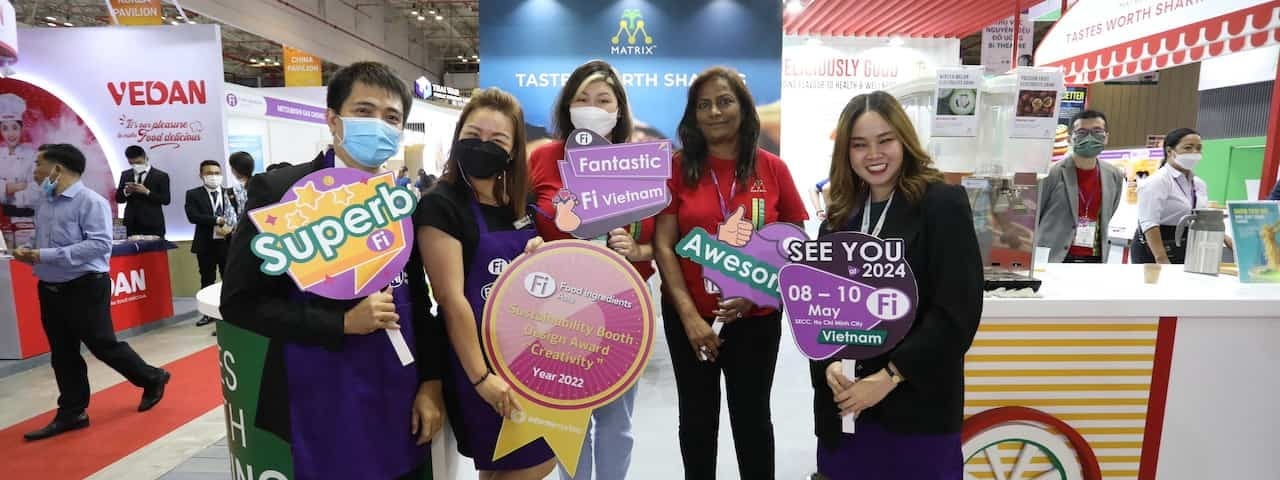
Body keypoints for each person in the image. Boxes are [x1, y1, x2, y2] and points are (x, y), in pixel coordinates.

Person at [220, 62, 444, 480]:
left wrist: (431, 381)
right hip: (319, 388)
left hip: (399, 387)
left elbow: (418, 296)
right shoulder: (281, 192)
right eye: (364, 111)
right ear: (333, 119)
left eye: (391, 117)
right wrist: (338, 322)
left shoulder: (399, 200)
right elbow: (240, 303)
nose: (378, 124)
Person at [811, 91, 983, 479]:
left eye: (884, 140)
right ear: (846, 153)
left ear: (903, 140)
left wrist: (889, 377)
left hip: (916, 408)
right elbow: (819, 313)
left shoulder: (941, 204)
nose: (874, 154)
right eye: (859, 145)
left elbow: (957, 312)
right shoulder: (837, 221)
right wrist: (828, 367)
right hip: (847, 409)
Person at [652, 66, 807, 480]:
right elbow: (664, 245)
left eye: (725, 101)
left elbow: (794, 241)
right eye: (704, 105)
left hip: (755, 320)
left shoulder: (772, 169)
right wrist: (689, 317)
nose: (715, 112)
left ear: (743, 108)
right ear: (693, 115)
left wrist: (760, 293)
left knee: (753, 421)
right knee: (697, 422)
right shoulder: (677, 168)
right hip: (690, 320)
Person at [416, 87, 556, 480]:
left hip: (526, 356)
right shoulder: (440, 204)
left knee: (504, 466)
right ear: (458, 138)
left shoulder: (517, 201)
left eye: (497, 140)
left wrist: (534, 255)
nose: (483, 146)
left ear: (512, 150)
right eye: (473, 136)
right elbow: (451, 298)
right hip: (476, 358)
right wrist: (481, 379)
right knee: (533, 462)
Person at [528, 59, 652, 480]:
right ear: (567, 106)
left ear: (619, 111)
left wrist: (637, 248)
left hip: (620, 308)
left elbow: (661, 241)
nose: (592, 107)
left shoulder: (638, 164)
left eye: (603, 100)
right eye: (582, 99)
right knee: (569, 417)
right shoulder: (543, 158)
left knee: (617, 420)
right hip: (555, 310)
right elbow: (525, 222)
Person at [16, 144, 171, 441]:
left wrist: (44, 255)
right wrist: (31, 252)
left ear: (58, 169)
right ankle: (73, 411)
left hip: (85, 285)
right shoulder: (45, 202)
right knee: (62, 352)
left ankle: (152, 377)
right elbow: (44, 241)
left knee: (102, 344)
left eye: (39, 164)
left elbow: (100, 245)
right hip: (50, 287)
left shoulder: (91, 202)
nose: (34, 170)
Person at [1133, 128, 1233, 264]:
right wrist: (1161, 259)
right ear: (1169, 151)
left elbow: (1200, 217)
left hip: (1186, 244)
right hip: (1156, 246)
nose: (1195, 153)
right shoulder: (1157, 181)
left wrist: (1225, 238)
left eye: (1198, 148)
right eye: (1188, 148)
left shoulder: (1199, 183)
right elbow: (1149, 223)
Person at [1037, 110, 1125, 263]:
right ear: (1070, 139)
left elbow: (1108, 213)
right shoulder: (1052, 173)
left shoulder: (1114, 175)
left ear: (1106, 137)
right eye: (1082, 132)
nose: (1090, 137)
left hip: (1095, 257)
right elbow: (1036, 215)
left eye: (1097, 131)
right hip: (1055, 258)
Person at [185, 160, 237, 328]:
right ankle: (207, 315)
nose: (213, 176)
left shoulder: (230, 193)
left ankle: (229, 313)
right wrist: (217, 220)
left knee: (229, 278)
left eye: (216, 173)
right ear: (201, 175)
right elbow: (193, 216)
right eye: (209, 173)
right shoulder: (193, 194)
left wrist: (231, 226)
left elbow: (238, 213)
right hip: (206, 243)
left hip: (227, 243)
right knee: (207, 278)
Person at [115, 145, 170, 237]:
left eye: (138, 162)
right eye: (132, 164)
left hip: (153, 224)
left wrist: (147, 192)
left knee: (153, 251)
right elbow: (118, 199)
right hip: (131, 224)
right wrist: (127, 191)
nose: (136, 166)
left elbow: (166, 200)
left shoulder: (161, 176)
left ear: (146, 157)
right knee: (131, 250)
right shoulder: (126, 174)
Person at [0, 94, 39, 213]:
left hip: (26, 215)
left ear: (21, 129)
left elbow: (37, 190)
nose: (11, 134)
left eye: (15, 128)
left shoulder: (32, 155)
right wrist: (19, 186)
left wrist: (6, 191)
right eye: (5, 128)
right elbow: (29, 186)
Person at [227, 151, 255, 218]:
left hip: (244, 226)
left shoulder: (232, 191)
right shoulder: (264, 185)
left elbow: (230, 220)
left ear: (233, 170)